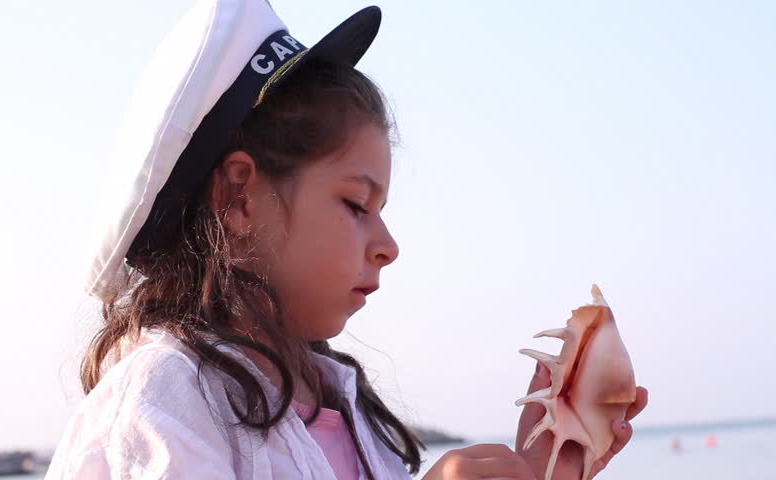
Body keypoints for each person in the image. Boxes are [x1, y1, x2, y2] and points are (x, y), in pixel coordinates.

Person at [45, 1, 648, 479]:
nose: (388, 244)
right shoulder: (162, 400)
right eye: (356, 204)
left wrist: (542, 470)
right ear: (239, 197)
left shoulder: (344, 408)